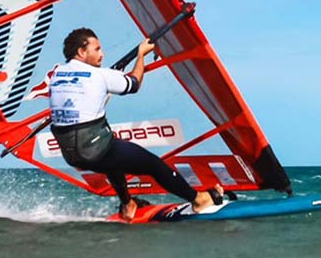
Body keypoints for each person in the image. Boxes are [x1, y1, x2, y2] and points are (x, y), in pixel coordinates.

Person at [48, 27, 222, 220]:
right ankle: (198, 199)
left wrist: (111, 79)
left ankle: (127, 205)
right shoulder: (101, 76)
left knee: (112, 161)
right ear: (81, 52)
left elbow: (81, 94)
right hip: (95, 149)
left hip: (73, 156)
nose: (102, 54)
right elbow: (134, 83)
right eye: (97, 49)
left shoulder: (57, 75)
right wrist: (141, 56)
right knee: (153, 164)